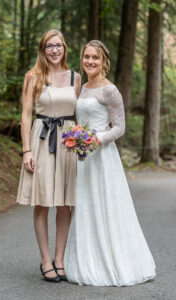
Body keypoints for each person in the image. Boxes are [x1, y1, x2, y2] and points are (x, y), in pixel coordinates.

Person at [64, 40, 156, 286]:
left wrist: (96, 139)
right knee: (86, 207)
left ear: (104, 61)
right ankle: (87, 260)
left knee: (106, 206)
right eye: (87, 57)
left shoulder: (110, 90)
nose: (90, 62)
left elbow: (119, 128)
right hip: (83, 158)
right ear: (82, 59)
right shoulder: (82, 88)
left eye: (95, 58)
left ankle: (115, 261)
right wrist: (76, 137)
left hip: (103, 156)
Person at [16, 30, 81, 283]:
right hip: (41, 139)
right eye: (49, 46)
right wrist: (26, 150)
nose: (54, 50)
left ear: (65, 48)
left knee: (65, 203)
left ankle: (60, 259)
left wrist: (84, 141)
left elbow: (78, 113)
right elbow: (25, 115)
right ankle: (45, 260)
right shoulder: (33, 77)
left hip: (68, 141)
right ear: (43, 50)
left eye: (59, 46)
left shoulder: (75, 77)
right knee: (42, 201)